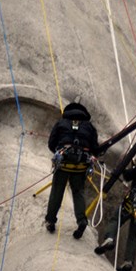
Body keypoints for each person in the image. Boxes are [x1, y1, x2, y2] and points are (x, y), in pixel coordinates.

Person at [45, 102, 99, 239]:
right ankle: (82, 221)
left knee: (57, 192)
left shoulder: (61, 123)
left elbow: (51, 144)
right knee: (78, 193)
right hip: (80, 166)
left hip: (63, 163)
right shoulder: (90, 127)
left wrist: (60, 150)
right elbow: (95, 148)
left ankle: (50, 221)